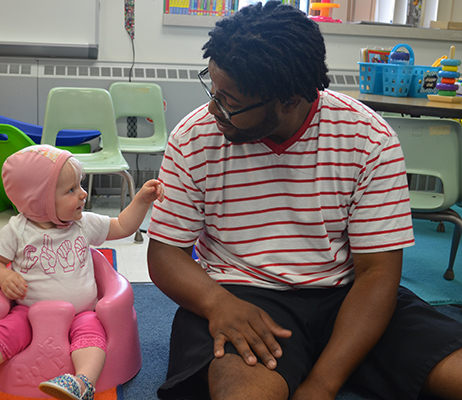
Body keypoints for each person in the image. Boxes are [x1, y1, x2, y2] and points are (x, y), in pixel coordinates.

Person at [146, 2, 462, 400]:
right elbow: (165, 253)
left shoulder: (369, 138)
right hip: (242, 293)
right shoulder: (194, 137)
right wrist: (217, 304)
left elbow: (377, 273)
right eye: (212, 88)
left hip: (349, 294)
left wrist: (321, 384)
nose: (214, 109)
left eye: (230, 101)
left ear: (289, 101)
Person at [0, 144, 164, 400]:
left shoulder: (83, 223)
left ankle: (83, 382)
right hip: (27, 314)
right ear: (39, 200)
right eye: (71, 190)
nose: (83, 194)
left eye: (80, 186)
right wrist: (5, 276)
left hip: (82, 313)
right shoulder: (18, 230)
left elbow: (121, 226)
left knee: (93, 338)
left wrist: (141, 200)